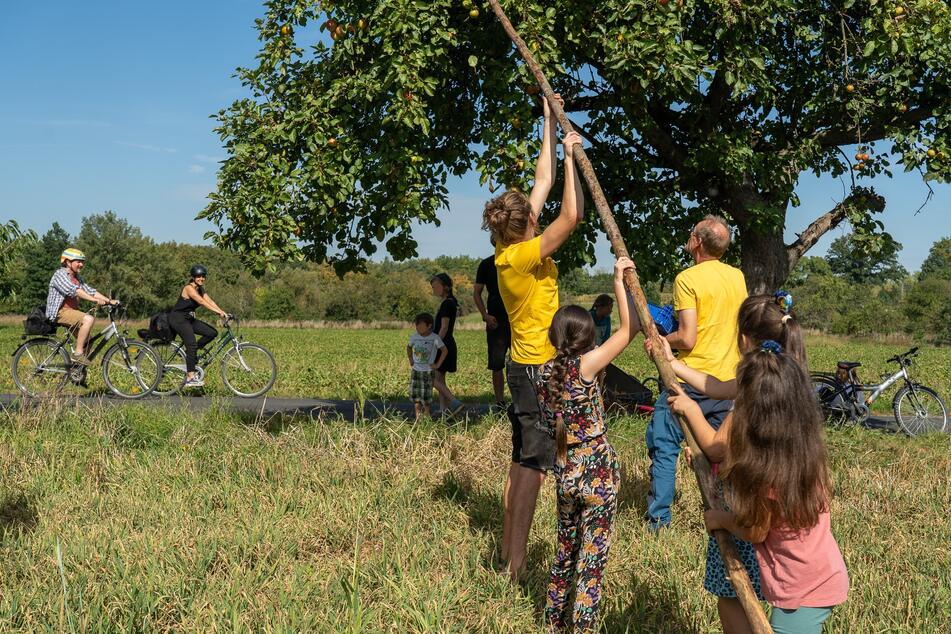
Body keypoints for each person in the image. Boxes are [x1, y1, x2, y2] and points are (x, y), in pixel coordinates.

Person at [664, 297, 848, 634]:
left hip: (803, 590)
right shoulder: (794, 447)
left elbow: (755, 531)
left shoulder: (767, 476)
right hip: (812, 580)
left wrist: (719, 518)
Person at [481, 92, 584, 580]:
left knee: (537, 460)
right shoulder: (518, 258)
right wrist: (573, 160)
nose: (538, 215)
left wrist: (548, 119)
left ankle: (511, 552)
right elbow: (571, 218)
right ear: (524, 230)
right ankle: (517, 563)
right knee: (533, 466)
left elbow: (540, 182)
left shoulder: (512, 240)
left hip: (545, 373)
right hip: (537, 374)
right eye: (534, 218)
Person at [533, 257, 636, 632]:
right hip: (597, 472)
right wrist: (619, 281)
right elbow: (630, 329)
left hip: (566, 472)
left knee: (565, 551)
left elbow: (555, 426)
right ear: (585, 336)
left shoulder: (543, 373)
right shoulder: (587, 366)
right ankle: (583, 627)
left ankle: (553, 624)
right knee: (591, 560)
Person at [644, 215, 747, 532]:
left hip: (692, 377)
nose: (689, 236)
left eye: (692, 233)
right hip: (727, 380)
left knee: (664, 443)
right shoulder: (737, 277)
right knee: (722, 451)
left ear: (698, 242)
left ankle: (658, 521)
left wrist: (663, 341)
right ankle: (728, 511)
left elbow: (687, 338)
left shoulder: (687, 279)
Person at [46, 247, 118, 364]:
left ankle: (76, 371)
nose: (81, 264)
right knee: (88, 319)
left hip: (71, 312)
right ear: (68, 262)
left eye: (82, 262)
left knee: (88, 341)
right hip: (60, 312)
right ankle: (78, 354)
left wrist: (109, 301)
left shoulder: (77, 278)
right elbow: (74, 291)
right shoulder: (59, 275)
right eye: (78, 261)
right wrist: (95, 301)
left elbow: (91, 291)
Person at [168, 264, 228, 388]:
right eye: (198, 276)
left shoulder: (200, 289)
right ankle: (190, 377)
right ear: (194, 277)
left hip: (188, 319)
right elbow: (201, 302)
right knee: (192, 344)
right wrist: (218, 313)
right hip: (178, 319)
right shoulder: (189, 288)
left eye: (203, 276)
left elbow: (210, 301)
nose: (201, 278)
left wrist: (223, 312)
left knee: (212, 333)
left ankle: (191, 355)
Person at [473, 242, 511, 411]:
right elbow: (476, 293)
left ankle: (520, 400)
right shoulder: (487, 264)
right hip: (495, 320)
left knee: (520, 362)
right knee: (496, 364)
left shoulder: (516, 261)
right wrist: (485, 315)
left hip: (517, 320)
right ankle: (500, 402)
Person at [430, 272, 464, 417]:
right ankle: (444, 409)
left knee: (429, 377)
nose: (433, 289)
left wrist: (435, 344)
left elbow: (444, 327)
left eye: (435, 286)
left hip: (443, 345)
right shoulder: (449, 302)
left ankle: (454, 402)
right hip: (446, 343)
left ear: (445, 287)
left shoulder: (447, 304)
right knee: (439, 378)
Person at [406, 312, 447, 419]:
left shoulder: (435, 338)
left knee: (426, 395)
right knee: (416, 395)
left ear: (429, 326)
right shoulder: (414, 337)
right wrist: (410, 358)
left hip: (428, 371)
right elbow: (409, 347)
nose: (417, 328)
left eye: (420, 325)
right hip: (416, 371)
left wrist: (438, 364)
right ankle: (418, 417)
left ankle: (427, 416)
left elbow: (444, 350)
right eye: (416, 325)